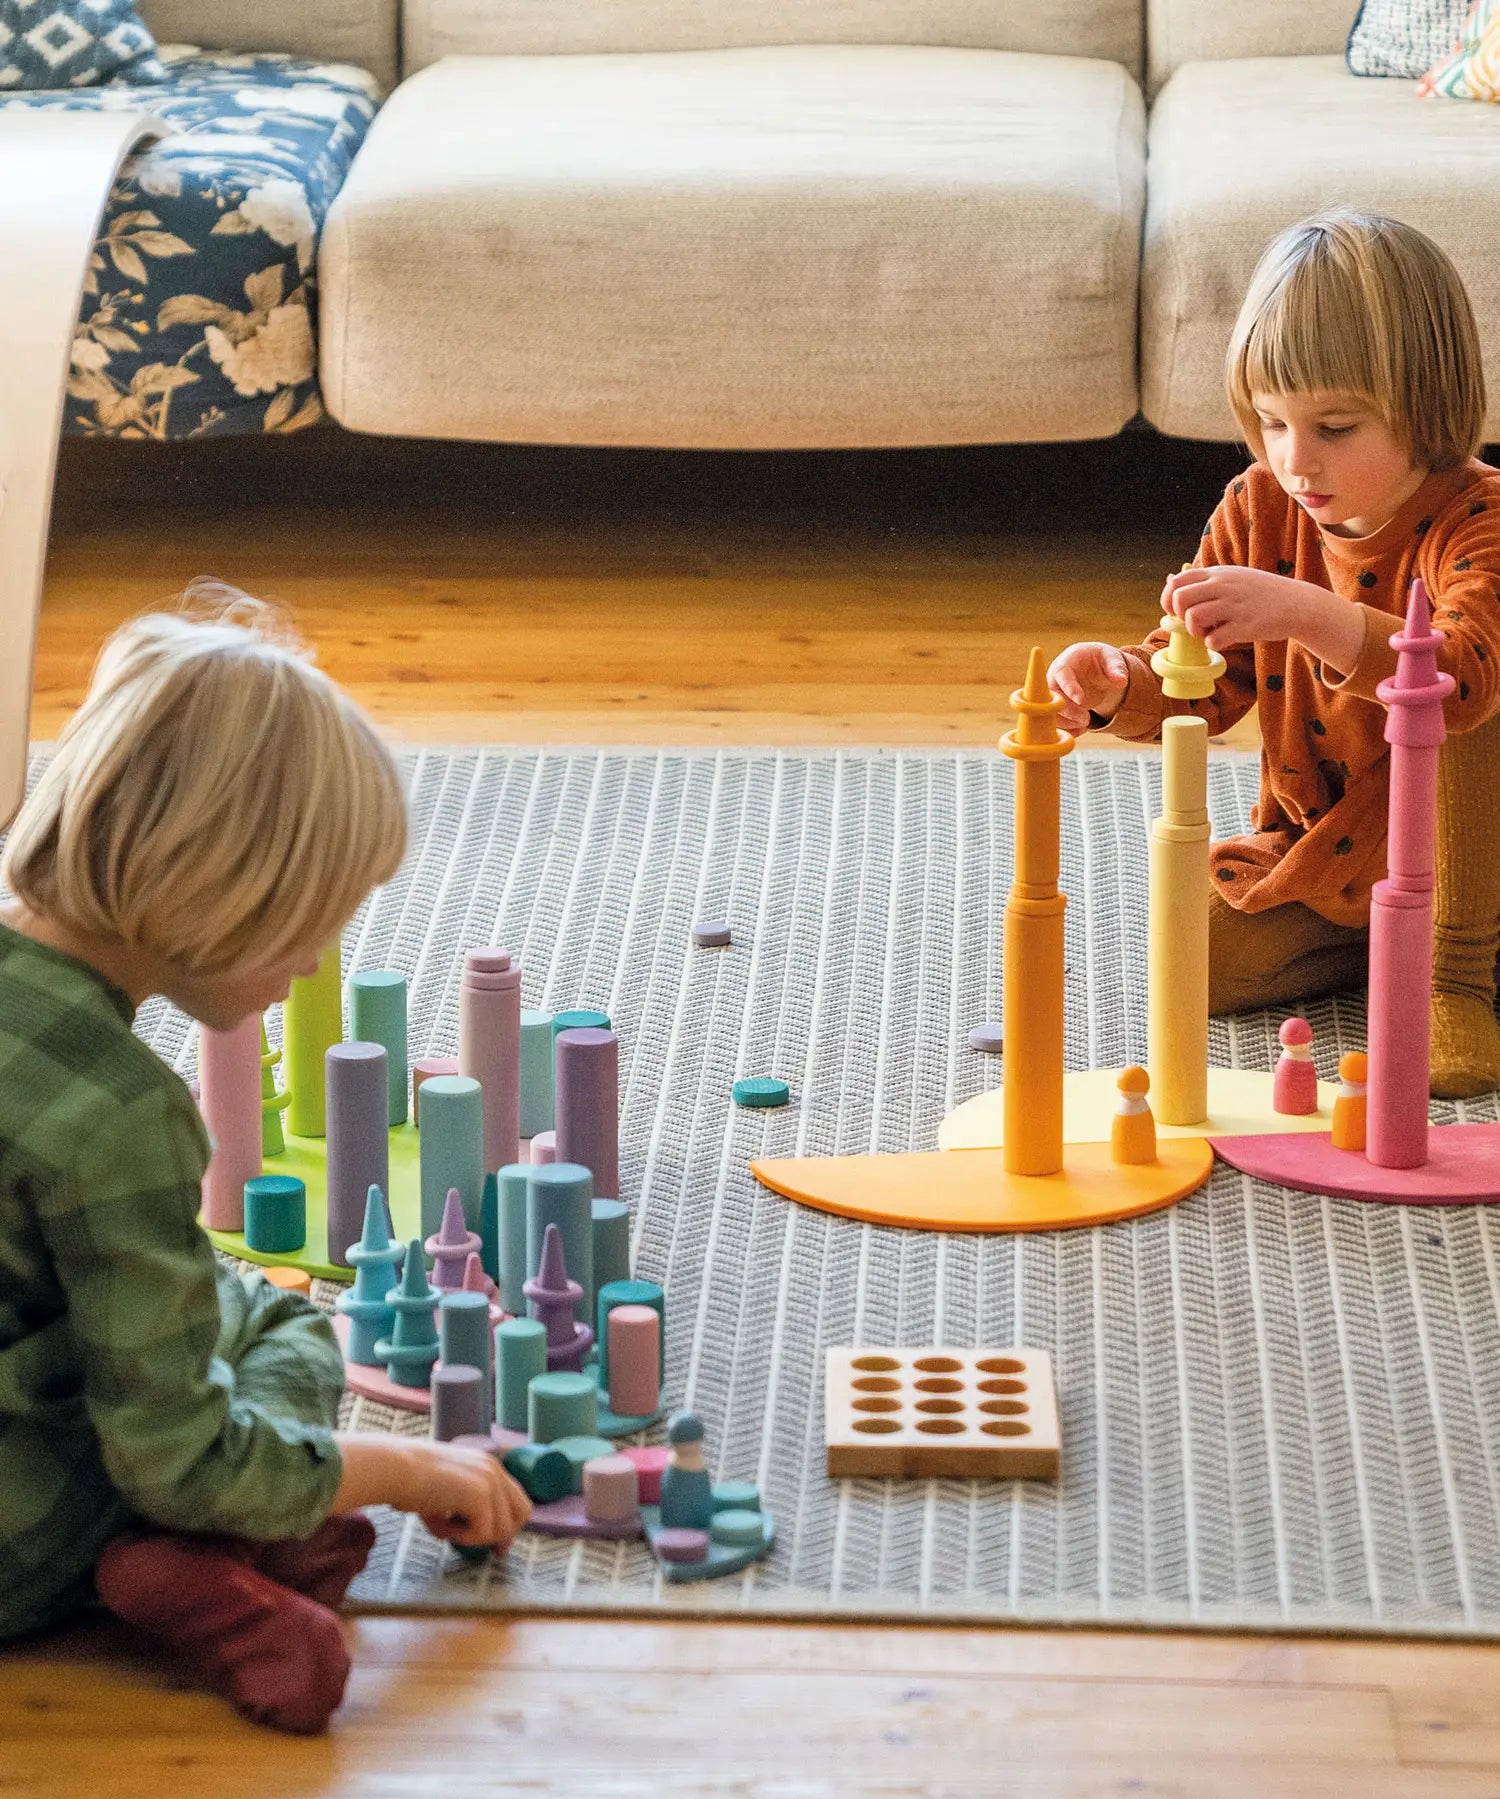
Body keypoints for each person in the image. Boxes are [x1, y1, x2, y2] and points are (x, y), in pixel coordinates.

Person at [0, 592, 530, 1734]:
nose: (313, 961)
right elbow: (178, 1458)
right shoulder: (122, 1116)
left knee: (236, 1300)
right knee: (293, 1333)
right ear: (218, 887)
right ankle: (186, 1568)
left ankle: (217, 1545)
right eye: (310, 922)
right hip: (19, 1544)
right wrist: (404, 1470)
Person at [1048, 208, 1500, 1098]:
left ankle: (1453, 972)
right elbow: (1202, 684)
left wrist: (1305, 613)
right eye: (1270, 421)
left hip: (1468, 861)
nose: (1296, 461)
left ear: (1425, 404)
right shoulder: (1260, 505)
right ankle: (1377, 936)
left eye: (1335, 428)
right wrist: (1118, 682)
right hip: (1331, 850)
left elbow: (1459, 681)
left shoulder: (1478, 518)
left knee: (1465, 701)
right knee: (1202, 956)